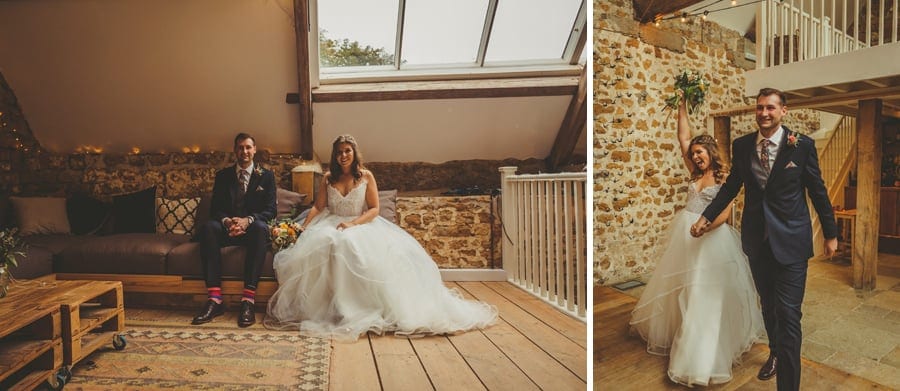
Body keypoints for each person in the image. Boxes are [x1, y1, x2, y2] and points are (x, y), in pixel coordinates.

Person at [264, 134, 497, 340]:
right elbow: (318, 206)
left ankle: (356, 307)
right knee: (328, 240)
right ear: (334, 156)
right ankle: (332, 308)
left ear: (354, 153)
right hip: (331, 222)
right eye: (339, 152)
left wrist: (353, 224)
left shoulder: (365, 176)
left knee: (347, 242)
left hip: (361, 223)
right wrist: (304, 227)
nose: (343, 155)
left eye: (347, 151)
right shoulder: (328, 178)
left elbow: (374, 209)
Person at [691, 88, 838, 391]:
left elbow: (818, 191)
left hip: (792, 243)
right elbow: (732, 186)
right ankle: (774, 352)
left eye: (770, 108)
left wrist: (831, 234)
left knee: (789, 316)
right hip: (758, 242)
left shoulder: (802, 145)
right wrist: (706, 217)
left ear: (784, 111)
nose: (764, 114)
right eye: (759, 108)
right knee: (769, 307)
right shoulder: (743, 146)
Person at [629, 92, 764, 387]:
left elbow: (726, 215)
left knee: (707, 295)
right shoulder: (692, 173)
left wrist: (705, 227)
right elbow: (683, 136)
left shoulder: (724, 177)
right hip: (686, 237)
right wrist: (681, 105)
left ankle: (702, 357)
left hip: (712, 239)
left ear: (711, 153)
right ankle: (687, 342)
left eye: (700, 153)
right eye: (693, 154)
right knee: (686, 292)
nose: (696, 157)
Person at [192, 132, 276, 328]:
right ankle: (215, 300)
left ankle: (248, 300)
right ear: (235, 151)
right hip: (227, 230)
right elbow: (216, 210)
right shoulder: (223, 176)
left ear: (254, 150)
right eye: (240, 147)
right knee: (209, 228)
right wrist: (228, 221)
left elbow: (271, 210)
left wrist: (247, 220)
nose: (244, 151)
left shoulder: (267, 177)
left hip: (252, 231)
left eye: (248, 147)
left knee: (260, 227)